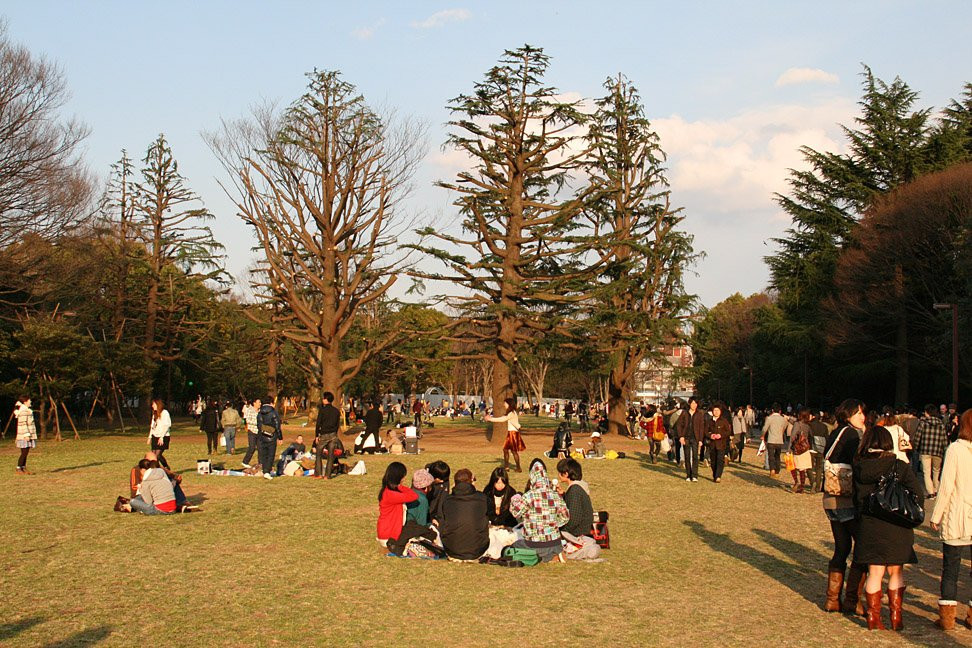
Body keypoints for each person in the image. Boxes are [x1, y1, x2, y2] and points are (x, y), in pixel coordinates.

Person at [853, 425, 923, 631]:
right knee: (896, 572)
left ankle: (873, 618)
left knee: (875, 573)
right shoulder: (898, 466)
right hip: (897, 526)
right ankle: (895, 615)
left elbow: (856, 499)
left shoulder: (859, 467)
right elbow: (917, 494)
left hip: (870, 526)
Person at [822, 398, 866, 615]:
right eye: (858, 414)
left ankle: (832, 599)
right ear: (849, 415)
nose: (863, 417)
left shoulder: (835, 432)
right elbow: (860, 466)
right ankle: (852, 599)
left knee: (842, 547)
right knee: (863, 548)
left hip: (831, 498)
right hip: (847, 498)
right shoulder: (852, 435)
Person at [930, 408, 972, 630]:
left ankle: (947, 618)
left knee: (951, 569)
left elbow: (946, 486)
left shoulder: (955, 450)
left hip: (958, 515)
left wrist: (936, 515)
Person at [509, 461, 569, 563]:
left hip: (534, 543)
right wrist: (553, 523)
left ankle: (545, 558)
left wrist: (514, 500)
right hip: (554, 543)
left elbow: (515, 512)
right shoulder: (555, 495)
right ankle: (555, 555)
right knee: (548, 548)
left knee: (515, 546)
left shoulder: (529, 495)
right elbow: (565, 516)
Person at [440, 468, 490, 561]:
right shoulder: (482, 498)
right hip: (477, 549)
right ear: (471, 481)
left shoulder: (447, 500)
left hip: (452, 548)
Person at [376, 462, 419, 546]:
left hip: (386, 530)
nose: (404, 479)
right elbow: (413, 496)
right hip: (389, 534)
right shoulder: (391, 495)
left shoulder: (387, 491)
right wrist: (400, 486)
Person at [912, 403, 948, 499]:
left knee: (926, 472)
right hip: (938, 451)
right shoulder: (941, 424)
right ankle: (936, 490)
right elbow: (944, 439)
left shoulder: (923, 423)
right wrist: (945, 449)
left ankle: (931, 492)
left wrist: (915, 447)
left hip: (925, 451)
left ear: (927, 413)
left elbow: (917, 437)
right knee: (936, 471)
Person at [556, 458, 593, 538]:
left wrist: (561, 531)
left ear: (566, 474)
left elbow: (574, 519)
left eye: (560, 472)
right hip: (581, 530)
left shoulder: (575, 490)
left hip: (578, 533)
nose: (558, 475)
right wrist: (563, 495)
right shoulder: (578, 487)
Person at [487, 397, 524, 473]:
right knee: (505, 450)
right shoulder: (512, 412)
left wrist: (491, 419)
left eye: (505, 403)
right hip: (512, 433)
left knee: (513, 451)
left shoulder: (511, 413)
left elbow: (502, 419)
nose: (504, 405)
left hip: (513, 433)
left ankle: (518, 468)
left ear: (509, 404)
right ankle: (507, 467)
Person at [676, 397, 706, 482]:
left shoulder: (699, 414)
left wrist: (700, 439)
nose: (694, 405)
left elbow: (701, 427)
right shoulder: (684, 413)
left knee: (695, 457)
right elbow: (679, 425)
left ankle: (694, 475)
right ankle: (688, 475)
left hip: (695, 438)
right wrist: (681, 436)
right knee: (687, 456)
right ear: (689, 404)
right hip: (686, 437)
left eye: (695, 403)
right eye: (692, 403)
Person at [314, 392, 342, 480]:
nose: (322, 400)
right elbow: (337, 424)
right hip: (333, 434)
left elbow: (318, 423)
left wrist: (317, 435)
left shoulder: (322, 410)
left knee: (318, 453)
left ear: (326, 400)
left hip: (324, 434)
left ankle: (318, 473)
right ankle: (328, 475)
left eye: (323, 398)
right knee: (331, 455)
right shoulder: (336, 411)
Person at [256, 397, 282, 479]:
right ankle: (267, 471)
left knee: (264, 454)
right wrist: (280, 437)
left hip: (262, 435)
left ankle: (264, 470)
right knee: (271, 454)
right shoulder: (274, 412)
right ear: (271, 403)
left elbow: (259, 425)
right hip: (272, 436)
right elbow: (277, 425)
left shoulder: (260, 413)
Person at [706, 402, 732, 483]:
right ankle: (715, 474)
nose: (716, 412)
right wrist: (710, 435)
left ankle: (718, 476)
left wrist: (721, 435)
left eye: (718, 410)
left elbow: (728, 431)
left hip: (721, 444)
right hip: (712, 444)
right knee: (713, 460)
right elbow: (705, 431)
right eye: (715, 410)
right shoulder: (709, 421)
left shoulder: (724, 421)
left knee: (720, 460)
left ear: (720, 411)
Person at [789, 408, 813, 493]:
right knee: (802, 469)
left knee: (792, 466)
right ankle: (802, 486)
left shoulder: (797, 424)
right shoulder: (808, 425)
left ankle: (796, 481)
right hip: (805, 448)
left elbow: (792, 437)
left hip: (797, 448)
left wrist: (789, 448)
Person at [762, 404, 788, 478]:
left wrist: (762, 435)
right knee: (777, 455)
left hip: (771, 439)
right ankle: (777, 470)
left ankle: (772, 470)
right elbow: (784, 427)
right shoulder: (783, 419)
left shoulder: (770, 418)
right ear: (780, 411)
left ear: (772, 410)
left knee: (771, 456)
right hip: (779, 440)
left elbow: (765, 428)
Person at [145, 398, 172, 469]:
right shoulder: (155, 414)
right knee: (153, 455)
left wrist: (161, 437)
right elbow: (152, 426)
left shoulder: (165, 413)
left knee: (158, 455)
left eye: (153, 404)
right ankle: (156, 469)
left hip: (163, 436)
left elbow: (167, 425)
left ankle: (166, 467)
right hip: (155, 436)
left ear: (158, 404)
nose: (152, 406)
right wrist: (150, 437)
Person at [14, 396, 37, 475]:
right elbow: (23, 424)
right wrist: (26, 434)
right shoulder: (24, 411)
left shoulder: (26, 410)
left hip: (26, 434)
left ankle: (23, 467)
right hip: (24, 435)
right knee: (24, 452)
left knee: (26, 452)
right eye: (29, 400)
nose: (30, 401)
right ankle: (19, 468)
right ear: (25, 402)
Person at [809, 410, 830, 492]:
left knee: (809, 467)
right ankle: (818, 486)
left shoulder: (810, 425)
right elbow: (827, 438)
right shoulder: (824, 426)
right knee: (819, 468)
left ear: (813, 417)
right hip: (821, 448)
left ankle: (812, 482)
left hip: (811, 448)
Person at [425, 460, 451, 525]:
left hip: (436, 514)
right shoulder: (422, 480)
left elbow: (442, 502)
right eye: (440, 479)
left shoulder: (444, 481)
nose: (442, 481)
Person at [241, 399, 261, 468]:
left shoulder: (260, 411)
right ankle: (245, 462)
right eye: (258, 402)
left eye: (260, 402)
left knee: (260, 448)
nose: (260, 404)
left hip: (259, 431)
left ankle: (260, 463)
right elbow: (248, 420)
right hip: (252, 431)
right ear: (254, 403)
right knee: (252, 447)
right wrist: (257, 423)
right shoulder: (250, 410)